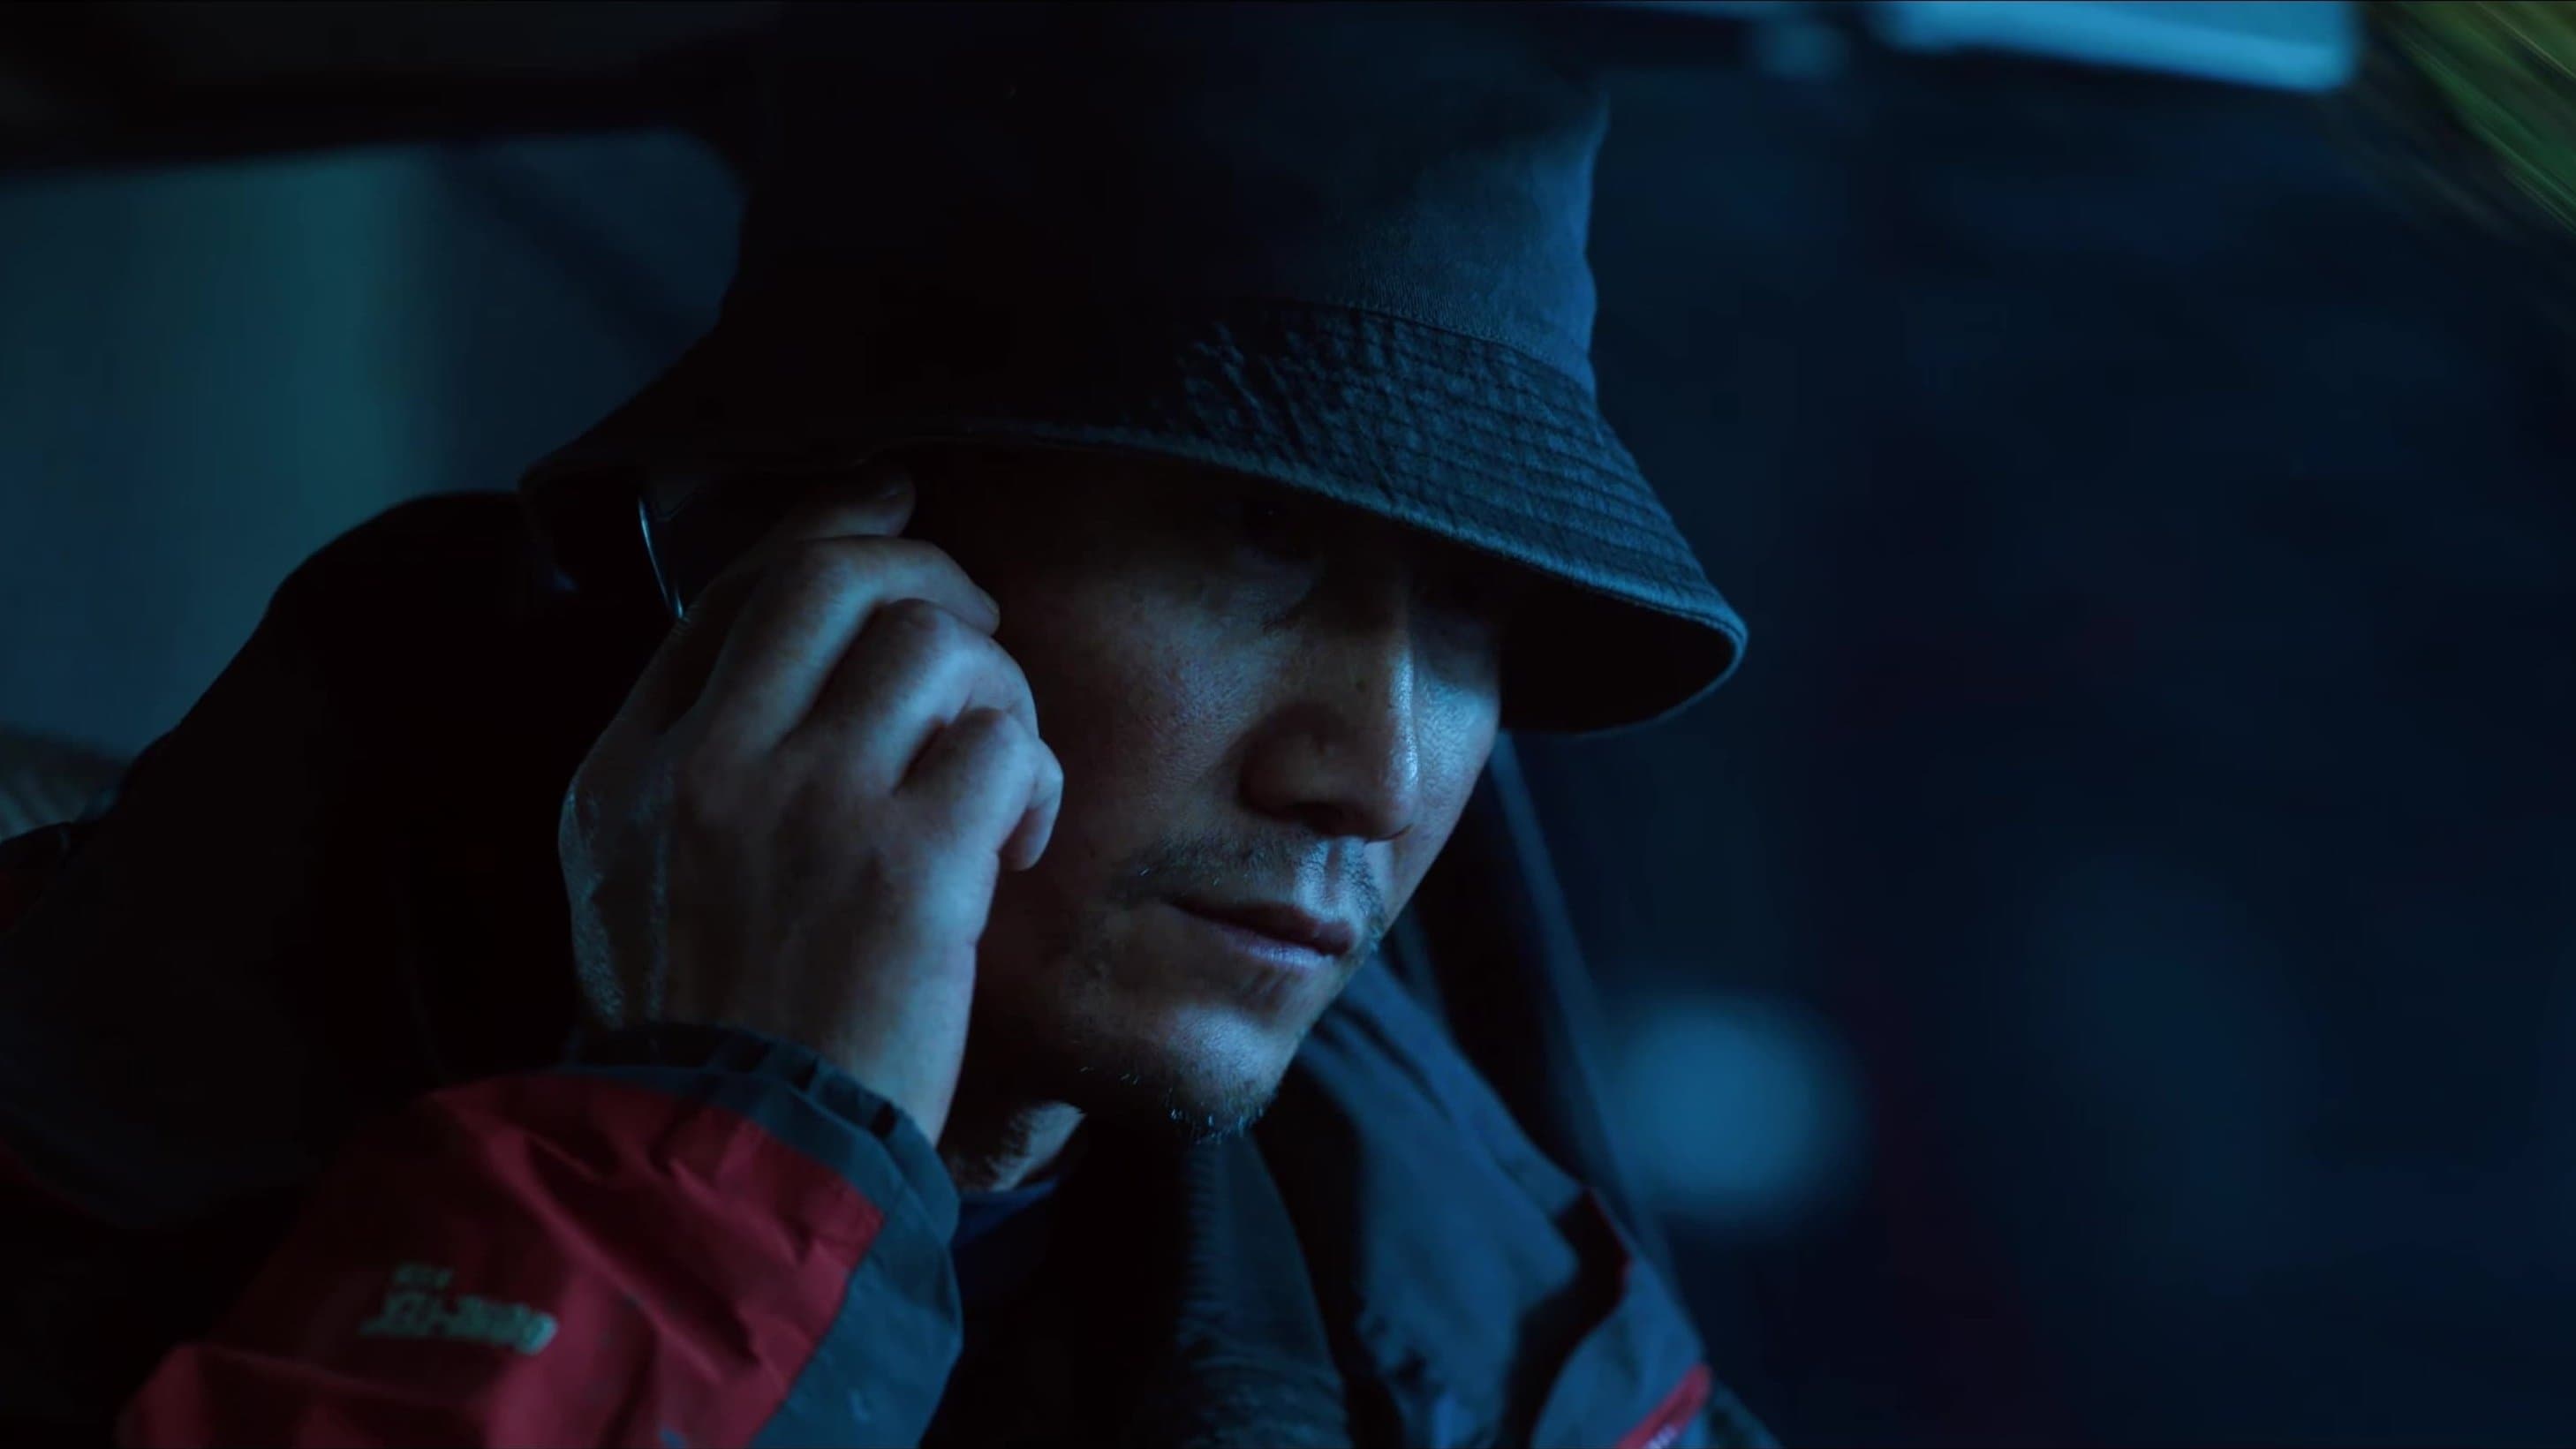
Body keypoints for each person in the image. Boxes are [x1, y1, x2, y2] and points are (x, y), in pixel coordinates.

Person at [0, 5, 1767, 1445]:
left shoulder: (1436, 1269)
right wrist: (728, 1150)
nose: (1376, 773)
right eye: (1259, 541)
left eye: (1465, 611)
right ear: (799, 554)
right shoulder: (98, 1129)